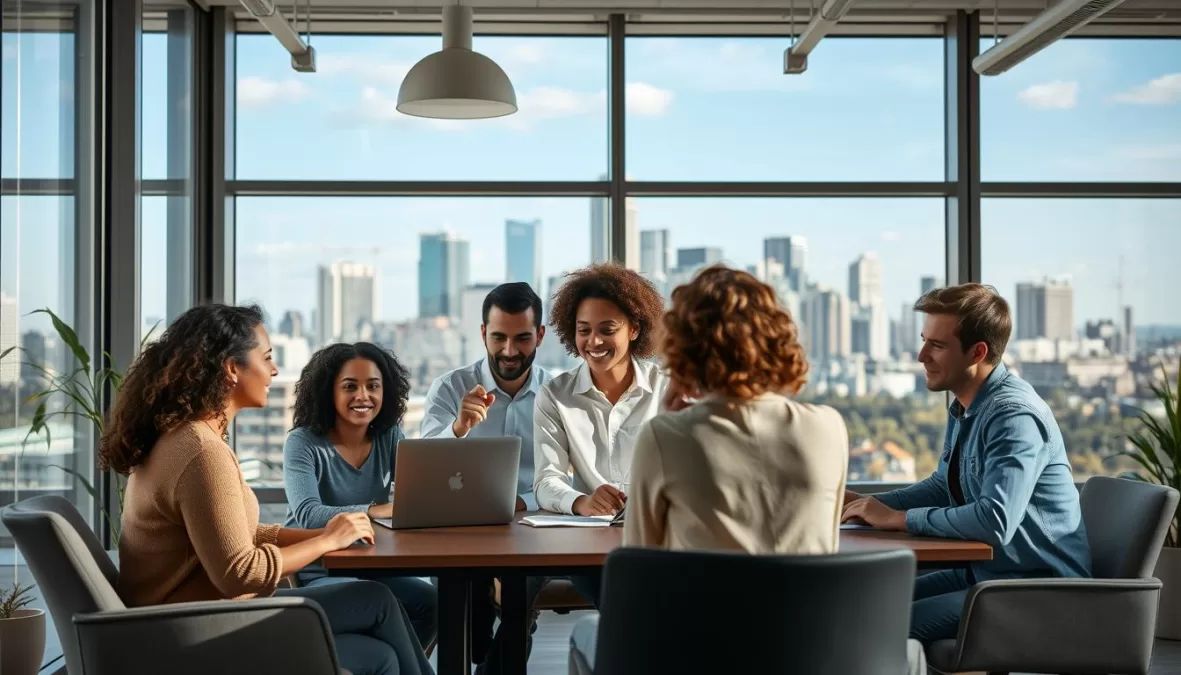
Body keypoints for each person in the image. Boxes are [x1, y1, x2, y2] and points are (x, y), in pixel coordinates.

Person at [569, 266, 935, 675]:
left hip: (703, 655)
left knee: (586, 632)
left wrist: (669, 422)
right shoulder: (828, 427)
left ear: (685, 347)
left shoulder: (666, 437)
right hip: (811, 653)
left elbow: (640, 573)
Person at [105, 304, 434, 675]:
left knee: (380, 655)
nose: (274, 371)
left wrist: (325, 533)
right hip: (199, 630)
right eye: (266, 358)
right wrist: (326, 542)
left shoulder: (185, 439)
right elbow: (240, 573)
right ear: (232, 368)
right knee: (375, 599)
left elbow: (236, 537)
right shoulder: (201, 453)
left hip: (197, 618)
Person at [842, 283, 1091, 644]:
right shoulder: (966, 404)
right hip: (989, 574)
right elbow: (945, 485)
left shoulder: (1014, 416)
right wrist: (867, 506)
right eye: (924, 340)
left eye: (937, 345)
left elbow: (995, 520)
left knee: (879, 629)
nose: (921, 355)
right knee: (864, 605)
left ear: (978, 352)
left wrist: (900, 519)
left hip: (1037, 588)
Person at [419, 282, 552, 674]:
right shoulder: (450, 388)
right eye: (499, 338)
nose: (510, 351)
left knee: (518, 596)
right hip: (463, 530)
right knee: (469, 605)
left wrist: (522, 501)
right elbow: (425, 470)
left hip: (532, 529)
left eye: (523, 338)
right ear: (483, 334)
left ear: (540, 335)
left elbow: (567, 475)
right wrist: (458, 428)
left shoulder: (555, 394)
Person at [283, 342, 439, 650]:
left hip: (375, 565)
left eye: (373, 386)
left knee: (431, 603)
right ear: (330, 391)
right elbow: (309, 513)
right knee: (381, 607)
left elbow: (415, 497)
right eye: (350, 386)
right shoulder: (302, 443)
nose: (363, 396)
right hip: (319, 569)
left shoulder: (389, 436)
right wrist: (375, 510)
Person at [533, 262, 669, 606]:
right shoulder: (554, 396)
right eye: (584, 330)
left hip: (657, 538)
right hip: (588, 545)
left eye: (607, 329)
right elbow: (546, 480)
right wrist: (581, 502)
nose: (593, 342)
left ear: (634, 329)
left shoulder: (668, 390)